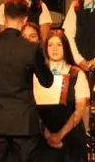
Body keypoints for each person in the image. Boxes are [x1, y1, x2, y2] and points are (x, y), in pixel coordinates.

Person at [0, 0, 54, 162]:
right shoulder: (31, 48)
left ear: (3, 18)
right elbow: (47, 81)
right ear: (25, 20)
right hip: (24, 123)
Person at [35, 30, 90, 162]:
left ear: (65, 47)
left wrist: (60, 135)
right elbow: (31, 107)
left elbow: (80, 109)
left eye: (59, 45)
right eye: (50, 45)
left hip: (71, 137)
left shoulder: (77, 74)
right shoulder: (38, 74)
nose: (54, 49)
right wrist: (47, 134)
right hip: (43, 137)